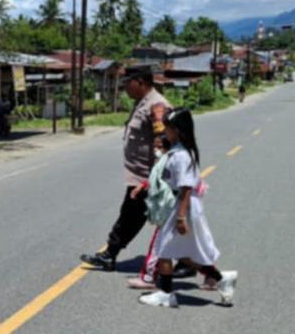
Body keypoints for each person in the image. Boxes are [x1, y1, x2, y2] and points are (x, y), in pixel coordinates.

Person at [138, 108, 237, 308]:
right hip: (180, 204)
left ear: (177, 130)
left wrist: (181, 217)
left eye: (167, 127)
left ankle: (166, 294)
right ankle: (220, 278)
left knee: (164, 250)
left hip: (182, 206)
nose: (164, 131)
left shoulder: (182, 155)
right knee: (181, 252)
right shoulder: (178, 150)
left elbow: (185, 187)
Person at [82, 67, 171, 271]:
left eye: (127, 83)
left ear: (140, 81)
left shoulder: (156, 105)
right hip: (140, 174)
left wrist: (154, 177)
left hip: (147, 175)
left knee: (133, 215)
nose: (124, 87)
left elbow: (163, 142)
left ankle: (110, 254)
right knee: (148, 216)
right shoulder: (144, 102)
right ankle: (188, 260)